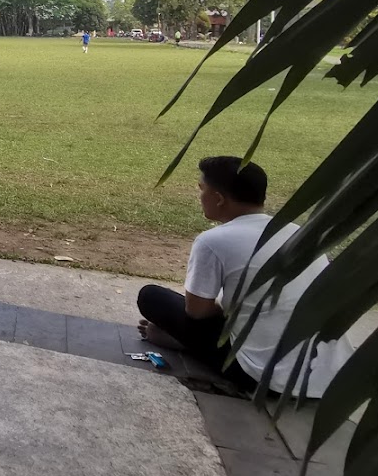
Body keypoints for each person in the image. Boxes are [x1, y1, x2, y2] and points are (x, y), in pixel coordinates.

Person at [137, 156, 352, 396]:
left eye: (202, 189)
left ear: (218, 198)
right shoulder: (299, 234)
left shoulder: (213, 241)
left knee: (152, 297)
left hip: (263, 379)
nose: (200, 196)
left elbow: (197, 311)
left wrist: (224, 309)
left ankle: (183, 343)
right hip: (328, 376)